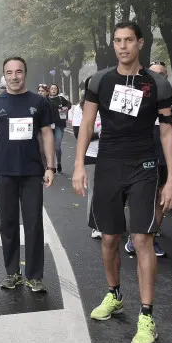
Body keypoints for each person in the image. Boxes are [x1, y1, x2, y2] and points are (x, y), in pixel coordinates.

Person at [72, 21, 172, 343]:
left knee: (142, 238)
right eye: (117, 41)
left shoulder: (157, 83)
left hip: (144, 166)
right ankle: (115, 295)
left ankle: (146, 316)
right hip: (108, 166)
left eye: (128, 40)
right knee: (108, 239)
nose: (122, 46)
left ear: (140, 43)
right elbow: (87, 122)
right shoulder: (100, 81)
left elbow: (167, 131)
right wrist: (79, 165)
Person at [0, 57, 56, 292]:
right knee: (8, 224)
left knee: (33, 224)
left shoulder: (39, 102)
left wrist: (50, 167)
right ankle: (12, 273)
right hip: (4, 172)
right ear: (4, 75)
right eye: (9, 72)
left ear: (25, 74)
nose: (14, 77)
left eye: (18, 72)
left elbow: (47, 135)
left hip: (32, 171)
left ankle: (34, 276)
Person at [124, 61, 172, 258]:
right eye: (155, 73)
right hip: (140, 154)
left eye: (163, 74)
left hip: (162, 155)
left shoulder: (169, 97)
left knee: (161, 200)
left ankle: (151, 238)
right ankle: (134, 238)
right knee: (142, 198)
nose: (159, 77)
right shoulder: (133, 95)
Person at [71, 77, 102, 240]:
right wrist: (100, 134)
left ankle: (111, 222)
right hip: (91, 154)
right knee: (95, 191)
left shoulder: (110, 103)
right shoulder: (79, 108)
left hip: (113, 154)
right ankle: (96, 225)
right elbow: (78, 133)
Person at [48, 84, 71, 173]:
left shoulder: (61, 99)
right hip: (48, 125)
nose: (53, 90)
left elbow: (69, 104)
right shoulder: (46, 99)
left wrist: (66, 107)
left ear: (57, 90)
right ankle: (51, 166)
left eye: (55, 88)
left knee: (57, 146)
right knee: (49, 146)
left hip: (59, 125)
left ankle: (59, 163)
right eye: (52, 88)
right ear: (49, 90)